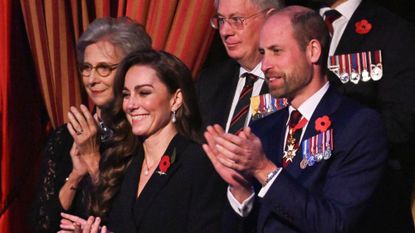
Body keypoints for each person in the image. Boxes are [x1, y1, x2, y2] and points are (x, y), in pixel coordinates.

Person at [203, 6, 388, 232]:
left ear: (312, 51)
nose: (266, 65)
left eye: (276, 51)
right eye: (263, 53)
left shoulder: (357, 124)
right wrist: (240, 190)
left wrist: (264, 169)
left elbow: (337, 224)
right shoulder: (262, 127)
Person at [58, 49, 226, 233]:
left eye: (144, 93)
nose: (131, 105)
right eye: (126, 94)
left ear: (176, 99)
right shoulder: (120, 162)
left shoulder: (199, 163)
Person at [32, 17, 152, 233]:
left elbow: (129, 221)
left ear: (131, 70)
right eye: (86, 68)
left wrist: (94, 161)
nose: (91, 79)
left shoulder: (144, 138)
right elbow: (42, 224)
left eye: (104, 68)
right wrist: (77, 175)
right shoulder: (65, 136)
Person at [315, 0, 415, 231]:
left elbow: (402, 121)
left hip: (367, 206)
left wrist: (332, 143)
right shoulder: (294, 23)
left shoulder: (391, 29)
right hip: (299, 200)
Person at [196, 0, 284, 133]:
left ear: (270, 18)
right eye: (221, 20)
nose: (225, 31)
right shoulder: (209, 82)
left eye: (237, 19)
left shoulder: (294, 80)